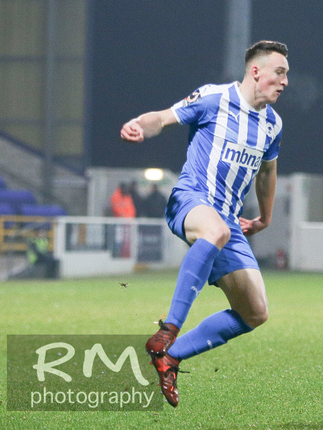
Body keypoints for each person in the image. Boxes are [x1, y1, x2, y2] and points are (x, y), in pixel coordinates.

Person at [120, 40, 289, 407]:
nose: (285, 81)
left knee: (255, 312)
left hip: (227, 219)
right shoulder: (214, 98)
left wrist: (266, 217)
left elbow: (268, 172)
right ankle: (167, 330)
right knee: (216, 230)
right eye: (280, 72)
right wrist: (138, 124)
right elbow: (163, 117)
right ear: (256, 71)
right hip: (191, 200)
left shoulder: (272, 125)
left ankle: (170, 357)